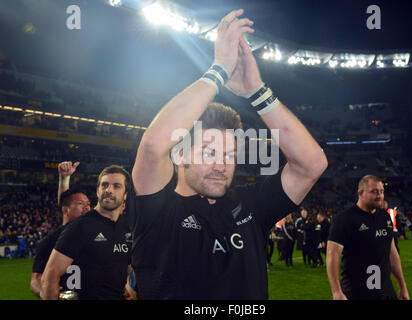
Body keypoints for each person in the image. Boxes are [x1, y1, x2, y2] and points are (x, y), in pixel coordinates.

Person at [129, 9, 327, 299]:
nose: (221, 164)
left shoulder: (249, 207)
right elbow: (151, 146)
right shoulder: (155, 208)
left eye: (229, 154)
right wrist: (219, 69)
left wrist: (255, 90)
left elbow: (312, 164)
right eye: (209, 152)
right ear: (180, 155)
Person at [41, 165, 132, 300]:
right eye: (104, 185)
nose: (109, 190)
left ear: (125, 195)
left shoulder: (128, 227)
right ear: (97, 191)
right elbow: (50, 275)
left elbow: (129, 268)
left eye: (116, 186)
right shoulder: (80, 226)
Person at [326, 175, 409, 300]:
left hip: (386, 292)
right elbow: (332, 255)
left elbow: (392, 254)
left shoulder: (385, 217)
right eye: (374, 192)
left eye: (381, 192)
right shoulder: (344, 219)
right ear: (360, 193)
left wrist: (402, 286)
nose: (379, 196)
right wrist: (336, 291)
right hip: (356, 292)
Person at [30, 161, 90, 299]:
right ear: (65, 210)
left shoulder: (95, 234)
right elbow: (35, 280)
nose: (87, 208)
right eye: (81, 204)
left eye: (88, 204)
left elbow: (67, 204)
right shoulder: (49, 241)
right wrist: (45, 292)